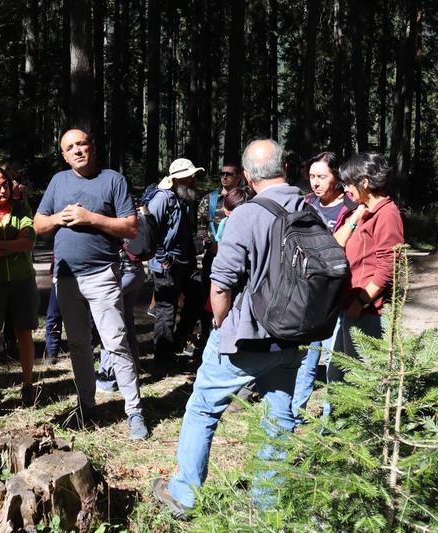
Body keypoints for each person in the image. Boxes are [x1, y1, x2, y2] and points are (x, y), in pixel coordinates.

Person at [151, 139, 305, 518]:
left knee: (203, 408)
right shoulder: (308, 209)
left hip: (246, 336)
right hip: (292, 335)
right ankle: (268, 501)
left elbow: (220, 283)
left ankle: (184, 495)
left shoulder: (247, 215)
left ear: (248, 177)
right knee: (279, 416)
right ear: (286, 168)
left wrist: (221, 322)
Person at [34, 128, 148, 440]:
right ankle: (86, 405)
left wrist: (89, 218)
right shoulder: (58, 181)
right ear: (64, 154)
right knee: (80, 345)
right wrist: (59, 218)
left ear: (92, 146)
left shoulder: (113, 180)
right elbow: (38, 223)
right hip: (67, 278)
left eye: (82, 144)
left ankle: (134, 411)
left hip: (102, 275)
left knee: (115, 342)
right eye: (70, 147)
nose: (77, 150)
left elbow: (130, 228)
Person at [291, 151, 357, 423]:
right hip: (308, 295)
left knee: (334, 362)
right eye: (312, 177)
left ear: (337, 178)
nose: (315, 183)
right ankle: (293, 414)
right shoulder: (304, 204)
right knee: (305, 360)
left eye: (322, 176)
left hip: (338, 294)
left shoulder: (352, 208)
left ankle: (332, 420)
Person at [0, 164, 39, 409]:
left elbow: (28, 243)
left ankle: (28, 385)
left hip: (23, 280)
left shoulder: (21, 207)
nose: (3, 190)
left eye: (6, 184)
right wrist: (11, 244)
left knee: (25, 332)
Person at [333, 152, 404, 367]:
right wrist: (356, 216)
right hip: (350, 306)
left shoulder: (387, 214)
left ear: (364, 181)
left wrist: (361, 302)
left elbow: (388, 267)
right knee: (339, 374)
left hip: (369, 312)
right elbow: (335, 244)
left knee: (360, 377)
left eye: (348, 183)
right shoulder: (363, 211)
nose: (345, 189)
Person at [148, 158, 205, 364]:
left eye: (191, 176)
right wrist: (162, 258)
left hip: (185, 262)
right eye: (187, 176)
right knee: (166, 309)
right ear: (176, 179)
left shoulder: (185, 197)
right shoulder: (162, 199)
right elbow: (149, 230)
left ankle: (177, 343)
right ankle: (162, 357)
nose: (191, 179)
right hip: (167, 263)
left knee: (198, 296)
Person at [195, 162, 245, 353]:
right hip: (214, 257)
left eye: (229, 174)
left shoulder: (246, 199)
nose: (224, 177)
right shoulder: (210, 200)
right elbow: (200, 228)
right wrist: (210, 243)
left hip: (239, 259)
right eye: (222, 174)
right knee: (209, 298)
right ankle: (206, 337)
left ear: (238, 176)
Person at [95, 243, 145, 392]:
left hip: (123, 275)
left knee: (109, 322)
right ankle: (134, 366)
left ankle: (108, 378)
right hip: (137, 273)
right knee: (127, 321)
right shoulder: (131, 220)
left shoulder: (111, 221)